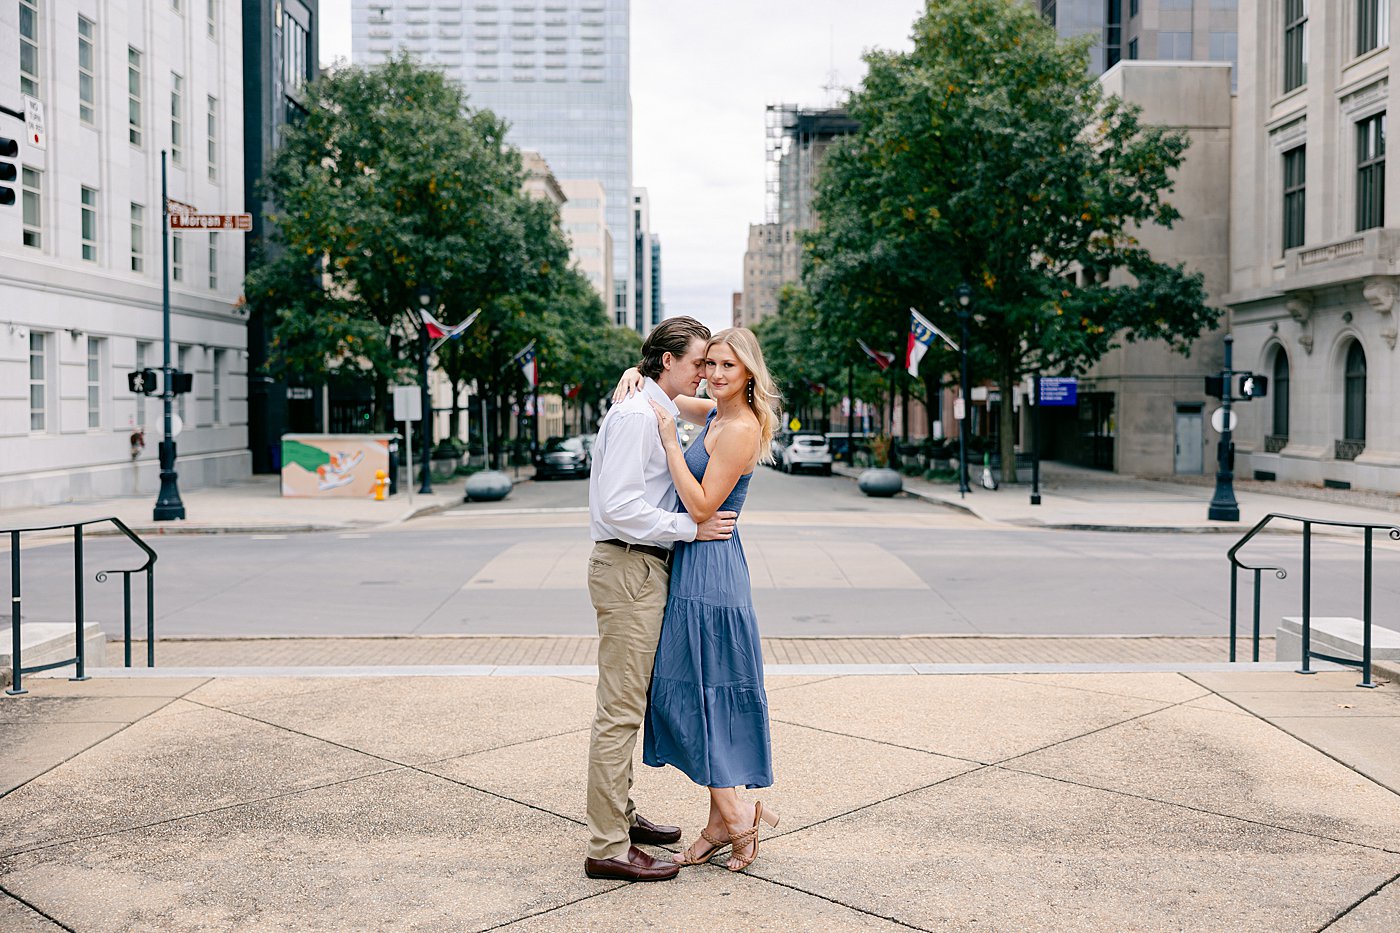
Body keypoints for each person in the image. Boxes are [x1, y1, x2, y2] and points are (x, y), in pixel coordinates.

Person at [616, 327, 781, 873]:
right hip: (695, 561)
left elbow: (704, 506)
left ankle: (735, 817)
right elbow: (662, 390)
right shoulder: (713, 410)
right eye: (708, 364)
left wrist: (668, 443)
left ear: (749, 374)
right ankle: (723, 820)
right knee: (698, 686)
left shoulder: (738, 428)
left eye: (727, 367)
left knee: (709, 689)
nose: (713, 374)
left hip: (711, 565)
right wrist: (633, 373)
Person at [583, 316, 740, 883]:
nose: (706, 372)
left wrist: (639, 372)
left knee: (633, 701)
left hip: (643, 566)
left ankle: (619, 815)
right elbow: (620, 506)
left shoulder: (659, 408)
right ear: (668, 360)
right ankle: (607, 846)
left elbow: (724, 405)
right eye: (700, 361)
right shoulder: (634, 415)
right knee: (620, 709)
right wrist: (688, 528)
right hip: (628, 563)